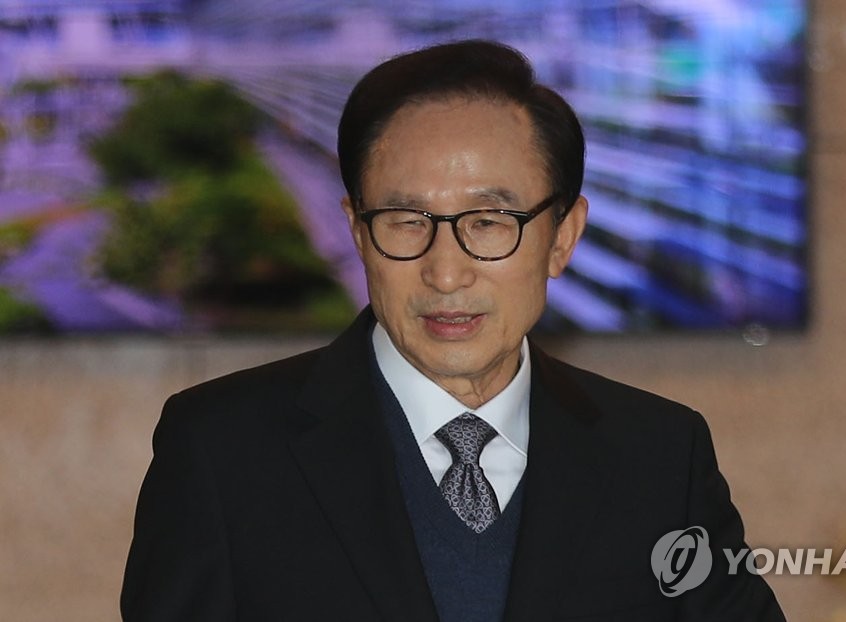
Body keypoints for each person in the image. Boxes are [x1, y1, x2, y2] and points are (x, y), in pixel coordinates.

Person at [121, 40, 786, 621]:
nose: (445, 273)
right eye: (406, 221)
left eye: (490, 223)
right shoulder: (221, 452)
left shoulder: (660, 455)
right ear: (358, 232)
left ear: (562, 237)